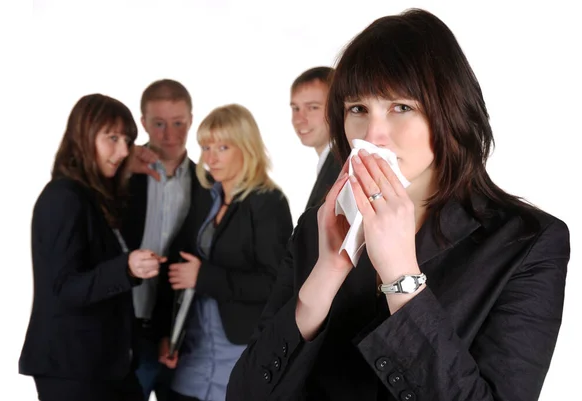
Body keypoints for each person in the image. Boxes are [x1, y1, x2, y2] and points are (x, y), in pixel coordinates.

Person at [227, 8, 570, 401]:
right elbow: (244, 393)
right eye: (358, 109)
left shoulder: (527, 242)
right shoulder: (318, 227)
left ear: (450, 111)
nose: (373, 134)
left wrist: (402, 280)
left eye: (401, 107)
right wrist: (324, 278)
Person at [18, 93, 165, 401]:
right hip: (72, 368)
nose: (123, 150)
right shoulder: (63, 198)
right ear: (84, 138)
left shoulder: (94, 196)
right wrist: (125, 268)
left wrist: (127, 168)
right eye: (112, 138)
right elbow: (64, 288)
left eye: (126, 140)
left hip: (104, 364)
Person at [154, 104, 294, 401]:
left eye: (222, 147)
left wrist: (204, 276)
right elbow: (180, 263)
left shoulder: (268, 202)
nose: (210, 157)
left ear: (247, 147)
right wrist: (168, 333)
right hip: (193, 347)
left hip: (239, 349)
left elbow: (276, 284)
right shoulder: (206, 198)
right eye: (205, 147)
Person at [120, 78, 198, 401]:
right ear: (143, 123)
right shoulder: (121, 173)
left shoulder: (207, 182)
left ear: (191, 120)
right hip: (123, 325)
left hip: (178, 334)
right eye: (159, 124)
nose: (169, 134)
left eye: (178, 123)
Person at [290, 66, 342, 210]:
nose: (299, 119)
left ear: (338, 108)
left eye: (313, 107)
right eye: (295, 108)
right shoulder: (330, 162)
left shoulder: (343, 167)